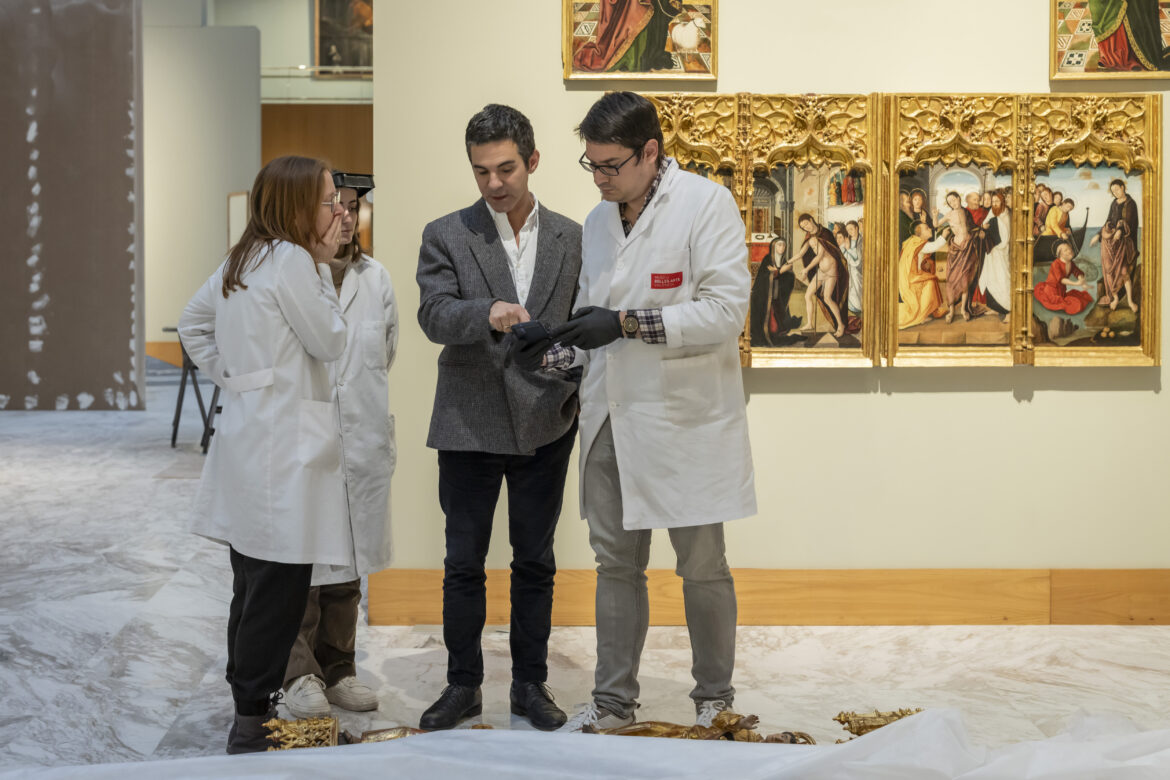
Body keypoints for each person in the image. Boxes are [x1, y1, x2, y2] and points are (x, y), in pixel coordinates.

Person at [551, 91, 756, 733]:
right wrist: (557, 347)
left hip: (684, 417)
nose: (600, 178)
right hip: (611, 414)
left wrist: (629, 322)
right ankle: (613, 701)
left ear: (650, 152)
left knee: (701, 563)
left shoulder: (705, 204)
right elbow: (596, 315)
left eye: (610, 165)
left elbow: (726, 312)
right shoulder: (596, 222)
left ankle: (714, 699)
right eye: (591, 165)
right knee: (615, 562)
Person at [415, 104, 582, 731]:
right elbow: (434, 315)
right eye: (481, 171)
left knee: (535, 562)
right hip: (468, 423)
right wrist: (485, 312)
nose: (493, 183)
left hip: (547, 422)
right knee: (463, 563)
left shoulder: (573, 235)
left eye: (505, 168)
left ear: (532, 162)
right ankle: (463, 686)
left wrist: (570, 371)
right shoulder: (445, 232)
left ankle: (530, 686)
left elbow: (582, 324)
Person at [178, 155, 347, 753]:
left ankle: (249, 706)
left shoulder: (243, 256)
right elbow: (329, 339)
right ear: (302, 205)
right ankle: (252, 724)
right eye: (330, 200)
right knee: (277, 589)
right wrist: (325, 269)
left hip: (252, 439)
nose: (338, 210)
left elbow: (191, 323)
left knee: (250, 582)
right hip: (285, 455)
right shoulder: (295, 260)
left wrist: (238, 378)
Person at [282, 172, 398, 719]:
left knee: (349, 566)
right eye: (337, 205)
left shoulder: (376, 279)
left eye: (353, 206)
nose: (346, 215)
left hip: (362, 439)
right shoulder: (288, 275)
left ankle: (339, 670)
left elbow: (386, 350)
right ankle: (299, 674)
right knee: (304, 567)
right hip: (308, 443)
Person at [780, 213, 850, 338]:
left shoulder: (825, 233)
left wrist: (806, 269)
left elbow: (819, 256)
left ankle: (841, 325)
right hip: (821, 272)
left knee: (828, 298)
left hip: (831, 272)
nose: (805, 227)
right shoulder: (809, 237)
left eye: (806, 223)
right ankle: (810, 323)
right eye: (803, 226)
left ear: (811, 220)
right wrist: (787, 262)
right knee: (808, 295)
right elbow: (801, 254)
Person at [936, 190, 988, 323]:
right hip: (955, 251)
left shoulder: (966, 212)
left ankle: (963, 309)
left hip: (968, 248)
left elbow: (973, 227)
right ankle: (952, 310)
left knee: (965, 281)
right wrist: (935, 215)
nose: (953, 203)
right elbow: (936, 225)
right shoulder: (948, 215)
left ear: (959, 198)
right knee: (952, 281)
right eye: (950, 202)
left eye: (955, 199)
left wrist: (981, 230)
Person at [1089, 178, 1140, 313]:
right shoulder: (1114, 203)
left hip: (1125, 243)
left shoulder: (1131, 204)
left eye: (1117, 189)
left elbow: (1129, 221)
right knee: (1109, 271)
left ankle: (1130, 301)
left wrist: (1120, 230)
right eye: (1113, 191)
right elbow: (1109, 220)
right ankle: (1115, 298)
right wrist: (1099, 235)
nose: (1116, 193)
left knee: (1123, 272)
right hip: (1112, 243)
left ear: (1123, 187)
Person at [748, 236, 799, 346]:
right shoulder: (767, 259)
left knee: (779, 321)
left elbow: (789, 277)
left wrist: (779, 272)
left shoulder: (784, 260)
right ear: (774, 247)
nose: (782, 248)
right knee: (770, 323)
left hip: (778, 294)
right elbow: (763, 277)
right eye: (779, 245)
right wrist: (776, 273)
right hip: (766, 295)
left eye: (784, 245)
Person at [897, 221, 948, 329]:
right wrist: (943, 236)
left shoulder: (912, 241)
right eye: (926, 228)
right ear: (919, 233)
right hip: (910, 279)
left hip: (909, 277)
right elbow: (933, 247)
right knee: (930, 283)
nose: (929, 229)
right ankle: (922, 315)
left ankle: (929, 311)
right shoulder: (917, 243)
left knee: (930, 280)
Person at [978, 190, 1012, 322]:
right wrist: (983, 228)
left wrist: (999, 247)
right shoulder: (992, 212)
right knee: (990, 279)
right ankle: (994, 308)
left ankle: (1008, 311)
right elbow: (984, 225)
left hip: (1002, 252)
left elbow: (1006, 236)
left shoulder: (1006, 214)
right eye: (993, 202)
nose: (995, 204)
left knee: (1003, 280)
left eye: (997, 201)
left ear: (1002, 202)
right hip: (991, 251)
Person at [1034, 240, 1093, 315]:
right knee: (1074, 305)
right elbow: (1061, 279)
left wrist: (1082, 281)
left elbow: (1077, 272)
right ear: (1060, 254)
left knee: (1081, 299)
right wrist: (1075, 283)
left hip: (1062, 291)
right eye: (1066, 250)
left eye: (1070, 249)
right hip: (1052, 291)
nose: (1070, 251)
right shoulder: (1056, 264)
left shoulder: (1071, 263)